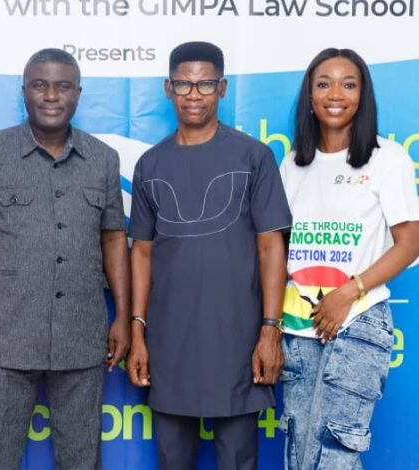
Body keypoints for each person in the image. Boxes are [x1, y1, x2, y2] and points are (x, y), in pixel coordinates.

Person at [0, 48, 130, 470]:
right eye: (40, 85)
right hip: (2, 339)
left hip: (80, 337)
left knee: (81, 460)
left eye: (63, 86)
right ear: (24, 92)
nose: (51, 95)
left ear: (78, 94)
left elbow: (113, 239)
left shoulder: (103, 159)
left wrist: (122, 315)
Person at [126, 41, 292, 469]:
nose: (194, 93)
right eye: (184, 83)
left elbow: (271, 245)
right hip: (169, 341)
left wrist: (270, 330)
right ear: (168, 88)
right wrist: (138, 332)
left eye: (204, 84)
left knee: (239, 460)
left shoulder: (253, 156)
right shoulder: (150, 164)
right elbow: (141, 253)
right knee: (171, 460)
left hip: (237, 338)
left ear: (222, 87)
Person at [279, 48, 419, 470]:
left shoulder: (386, 158)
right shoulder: (292, 165)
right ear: (310, 95)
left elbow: (410, 242)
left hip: (358, 320)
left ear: (363, 94)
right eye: (324, 83)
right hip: (300, 325)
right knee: (300, 449)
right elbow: (279, 250)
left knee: (334, 453)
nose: (335, 93)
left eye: (349, 83)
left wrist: (349, 292)